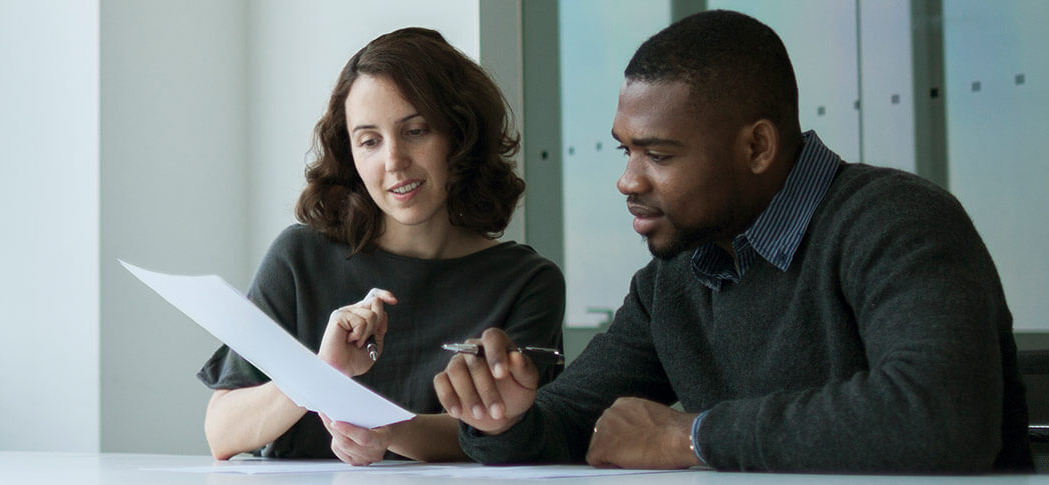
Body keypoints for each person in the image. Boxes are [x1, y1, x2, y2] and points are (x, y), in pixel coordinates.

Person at [434, 10, 1032, 473]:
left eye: (659, 154)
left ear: (757, 148)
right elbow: (569, 422)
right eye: (626, 150)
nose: (628, 181)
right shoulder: (677, 275)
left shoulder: (897, 221)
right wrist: (503, 419)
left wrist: (692, 436)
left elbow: (941, 416)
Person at [197, 27, 565, 465]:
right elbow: (222, 431)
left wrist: (386, 430)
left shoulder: (527, 282)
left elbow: (509, 429)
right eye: (369, 141)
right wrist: (322, 373)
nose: (394, 161)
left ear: (461, 134)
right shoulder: (299, 259)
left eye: (416, 131)